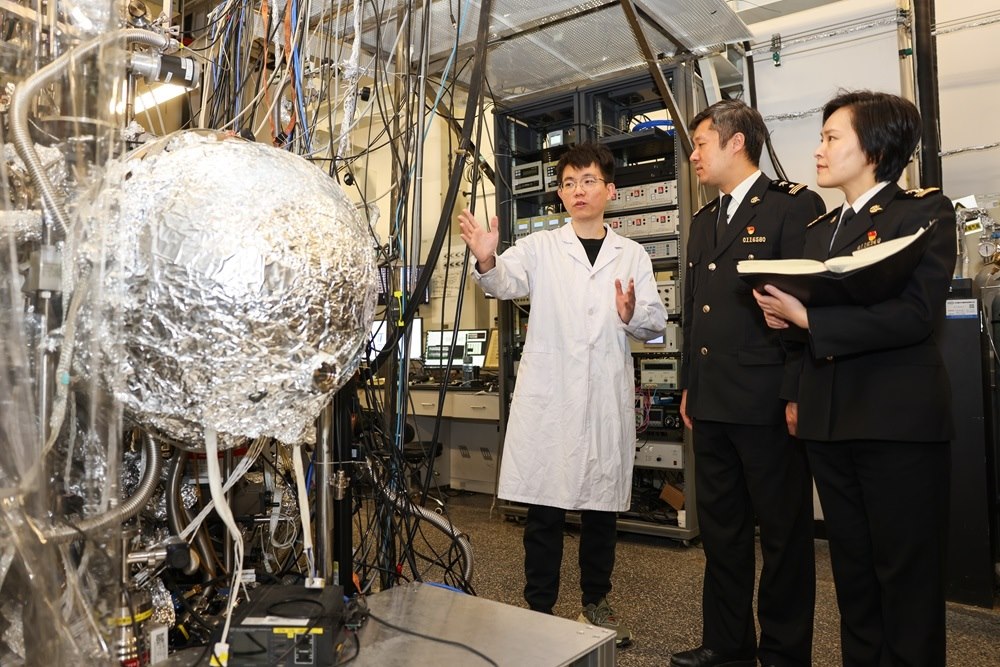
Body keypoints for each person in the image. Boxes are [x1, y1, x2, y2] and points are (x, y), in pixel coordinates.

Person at [753, 90, 956, 666]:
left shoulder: (922, 214)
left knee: (907, 578)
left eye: (831, 137)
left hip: (897, 422)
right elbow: (811, 327)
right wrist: (785, 321)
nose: (818, 150)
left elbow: (915, 315)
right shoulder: (820, 230)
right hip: (830, 421)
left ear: (875, 148)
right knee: (854, 575)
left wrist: (810, 319)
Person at [458, 142, 667, 648]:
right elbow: (502, 281)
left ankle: (596, 601)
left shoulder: (632, 254)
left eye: (589, 181)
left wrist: (630, 314)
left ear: (610, 191)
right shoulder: (542, 247)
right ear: (559, 193)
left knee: (601, 510)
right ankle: (539, 607)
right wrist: (486, 256)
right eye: (569, 183)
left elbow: (656, 324)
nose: (579, 190)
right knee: (544, 510)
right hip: (551, 399)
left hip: (602, 401)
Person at [673, 99, 824, 667]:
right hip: (712, 401)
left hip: (767, 401)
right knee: (722, 531)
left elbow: (805, 308)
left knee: (783, 534)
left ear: (735, 142)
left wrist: (796, 390)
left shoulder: (793, 206)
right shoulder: (703, 221)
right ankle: (727, 644)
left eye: (700, 144)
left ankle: (784, 653)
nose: (693, 156)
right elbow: (694, 310)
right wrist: (690, 383)